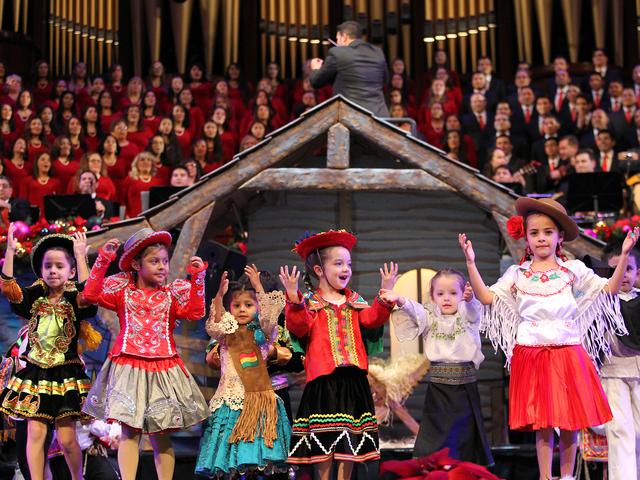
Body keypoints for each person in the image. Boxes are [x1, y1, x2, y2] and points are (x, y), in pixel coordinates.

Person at [459, 197, 636, 480]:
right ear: (527, 239)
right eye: (534, 233)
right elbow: (487, 297)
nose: (541, 238)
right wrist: (471, 263)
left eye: (548, 232)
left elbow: (609, 290)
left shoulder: (572, 270)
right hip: (532, 353)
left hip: (567, 351)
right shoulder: (518, 274)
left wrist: (624, 255)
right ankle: (544, 476)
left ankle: (566, 477)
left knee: (569, 421)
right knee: (542, 422)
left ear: (559, 237)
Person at [81, 228, 210, 480]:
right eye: (154, 261)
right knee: (130, 432)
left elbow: (195, 312)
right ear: (136, 264)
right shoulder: (123, 290)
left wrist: (198, 279)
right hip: (128, 365)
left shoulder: (171, 294)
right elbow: (90, 294)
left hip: (163, 368)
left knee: (160, 433)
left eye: (165, 261)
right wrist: (103, 260)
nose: (162, 267)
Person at [280, 230, 399, 480]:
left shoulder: (354, 301)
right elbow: (299, 326)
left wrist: (385, 294)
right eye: (338, 263)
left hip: (353, 381)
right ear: (319, 270)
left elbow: (372, 319)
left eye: (349, 264)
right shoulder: (310, 303)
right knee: (324, 441)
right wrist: (292, 297)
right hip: (324, 382)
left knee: (350, 443)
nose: (346, 269)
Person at [0, 229, 99, 480]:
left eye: (59, 266)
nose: (53, 271)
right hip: (36, 374)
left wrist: (80, 257)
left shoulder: (74, 297)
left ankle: (77, 478)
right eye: (48, 266)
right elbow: (11, 291)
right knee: (35, 434)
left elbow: (90, 296)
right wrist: (9, 252)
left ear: (71, 271)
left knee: (66, 440)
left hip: (65, 374)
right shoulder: (35, 295)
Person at [391, 269, 493, 466]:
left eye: (453, 293)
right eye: (440, 293)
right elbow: (415, 310)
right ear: (432, 296)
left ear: (462, 294)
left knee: (464, 436)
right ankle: (438, 469)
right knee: (437, 436)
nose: (447, 298)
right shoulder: (430, 318)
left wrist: (470, 300)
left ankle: (463, 471)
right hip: (438, 390)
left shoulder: (466, 315)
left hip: (464, 389)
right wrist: (400, 299)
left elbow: (473, 311)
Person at [195, 267, 290, 476]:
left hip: (256, 401)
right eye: (236, 305)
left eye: (248, 305)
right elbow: (214, 325)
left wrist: (258, 287)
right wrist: (219, 296)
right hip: (229, 400)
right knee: (229, 459)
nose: (242, 310)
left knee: (253, 458)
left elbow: (269, 318)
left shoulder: (262, 332)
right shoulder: (226, 332)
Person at [600, 242, 640, 480]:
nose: (623, 274)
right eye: (616, 269)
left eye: (628, 268)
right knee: (619, 430)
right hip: (613, 370)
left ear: (637, 272)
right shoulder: (602, 302)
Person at [309, 21, 389, 117]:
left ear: (344, 37)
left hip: (350, 117)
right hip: (378, 116)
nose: (337, 42)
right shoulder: (377, 52)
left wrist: (315, 68)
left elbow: (316, 81)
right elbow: (385, 80)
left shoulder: (337, 52)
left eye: (337, 38)